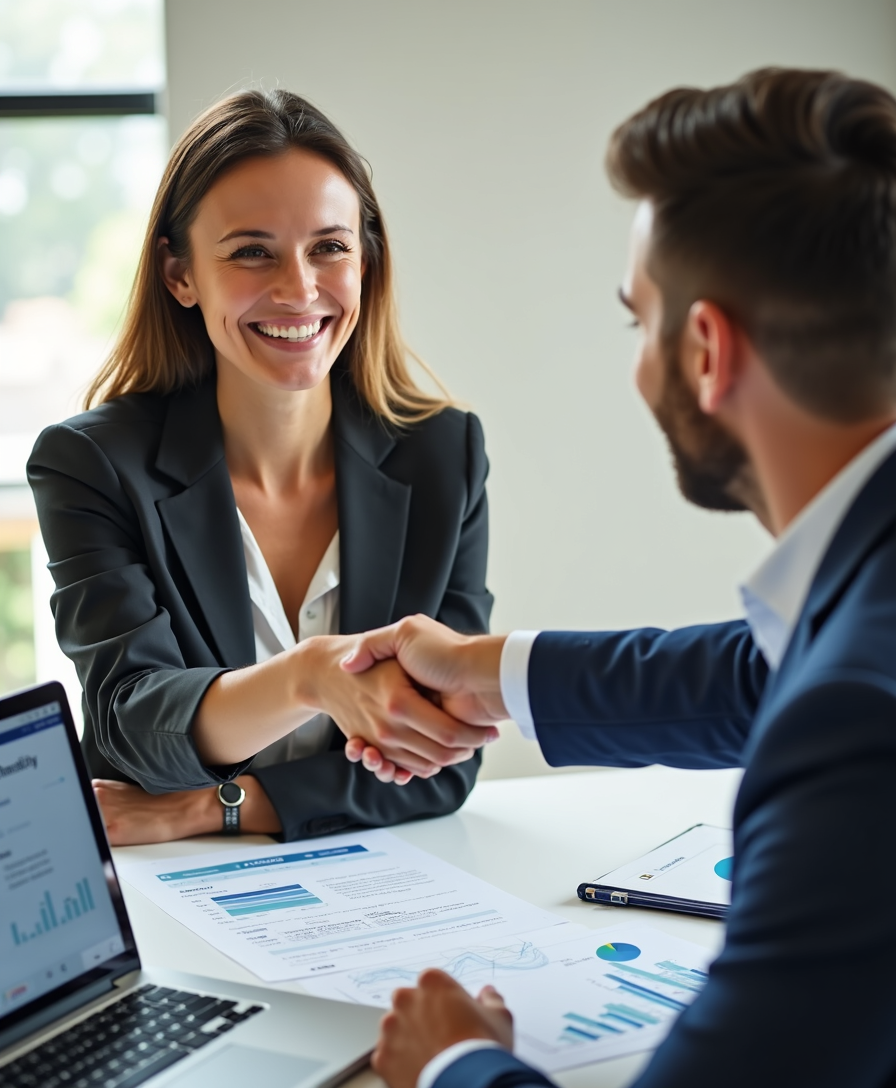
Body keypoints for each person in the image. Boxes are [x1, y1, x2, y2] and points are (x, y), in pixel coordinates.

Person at [339, 69, 896, 1087]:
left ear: (703, 349)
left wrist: (452, 1061)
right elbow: (768, 670)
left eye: (634, 320)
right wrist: (483, 669)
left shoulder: (854, 726)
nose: (635, 362)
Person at [27, 89, 497, 846]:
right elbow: (128, 726)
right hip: (172, 892)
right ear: (180, 275)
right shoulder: (91, 464)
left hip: (378, 878)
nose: (299, 289)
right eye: (252, 251)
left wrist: (208, 806)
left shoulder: (444, 454)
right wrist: (311, 676)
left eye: (329, 247)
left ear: (366, 259)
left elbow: (443, 756)